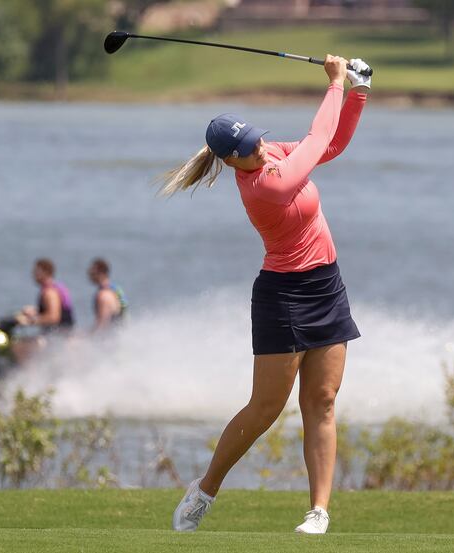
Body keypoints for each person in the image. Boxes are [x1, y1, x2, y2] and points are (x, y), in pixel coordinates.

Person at [161, 55, 371, 534]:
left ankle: (318, 512)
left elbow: (331, 145)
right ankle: (206, 488)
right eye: (248, 149)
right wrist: (336, 83)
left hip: (326, 285)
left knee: (322, 400)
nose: (259, 149)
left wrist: (358, 92)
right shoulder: (265, 186)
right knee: (266, 408)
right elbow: (317, 139)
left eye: (257, 138)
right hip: (284, 294)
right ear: (230, 161)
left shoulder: (269, 151)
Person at [12, 258, 75, 363]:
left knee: (18, 346)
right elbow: (53, 309)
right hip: (61, 334)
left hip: (58, 337)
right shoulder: (55, 288)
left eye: (36, 271)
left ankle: (24, 375)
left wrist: (28, 321)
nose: (33, 274)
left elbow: (54, 317)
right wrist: (35, 311)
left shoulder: (49, 292)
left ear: (45, 272)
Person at [87, 257, 128, 332]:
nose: (89, 275)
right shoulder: (117, 290)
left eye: (92, 272)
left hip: (111, 338)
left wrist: (86, 337)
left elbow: (102, 324)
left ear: (101, 273)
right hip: (121, 332)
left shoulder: (103, 295)